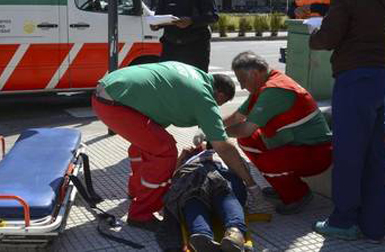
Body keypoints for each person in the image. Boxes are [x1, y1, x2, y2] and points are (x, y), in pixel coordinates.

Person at [92, 61, 261, 231]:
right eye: (219, 104)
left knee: (145, 144)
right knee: (164, 151)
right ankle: (140, 215)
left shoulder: (194, 73)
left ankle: (137, 191)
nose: (216, 107)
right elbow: (224, 147)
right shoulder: (203, 97)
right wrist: (251, 184)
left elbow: (163, 105)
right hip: (115, 103)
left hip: (107, 91)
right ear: (219, 94)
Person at [309, 0, 385, 242]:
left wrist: (315, 33)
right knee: (379, 155)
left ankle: (343, 221)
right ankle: (376, 224)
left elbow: (328, 37)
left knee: (350, 153)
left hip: (357, 80)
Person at [223, 52, 332, 215]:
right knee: (247, 141)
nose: (243, 87)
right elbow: (237, 117)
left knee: (269, 161)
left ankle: (298, 195)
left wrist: (217, 134)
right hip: (296, 146)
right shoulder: (265, 84)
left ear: (255, 73)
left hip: (316, 153)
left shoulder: (275, 90)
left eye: (242, 81)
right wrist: (207, 126)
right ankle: (282, 185)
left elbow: (246, 128)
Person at [157, 137, 248, 252]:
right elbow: (174, 176)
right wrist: (182, 157)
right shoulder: (191, 157)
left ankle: (203, 233)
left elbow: (174, 178)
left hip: (210, 177)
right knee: (203, 198)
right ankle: (231, 233)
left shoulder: (222, 154)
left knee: (196, 199)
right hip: (197, 179)